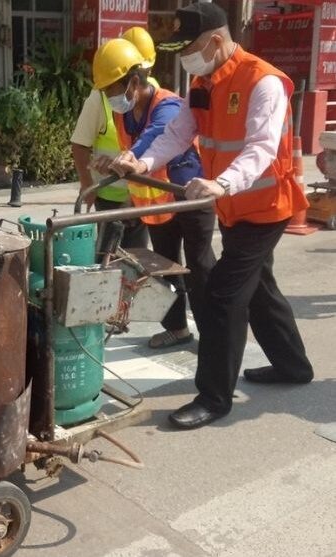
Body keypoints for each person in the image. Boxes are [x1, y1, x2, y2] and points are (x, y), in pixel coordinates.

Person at [108, 3, 313, 429]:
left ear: (217, 41)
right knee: (259, 289)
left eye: (192, 48)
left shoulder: (263, 82)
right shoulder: (205, 81)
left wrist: (222, 183)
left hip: (265, 209)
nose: (186, 59)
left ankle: (214, 398)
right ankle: (293, 366)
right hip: (235, 209)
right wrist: (142, 163)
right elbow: (178, 134)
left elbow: (260, 147)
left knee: (221, 296)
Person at [89, 37, 217, 350]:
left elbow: (152, 138)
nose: (110, 98)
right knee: (163, 269)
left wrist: (129, 158)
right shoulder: (125, 113)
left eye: (112, 90)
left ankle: (215, 332)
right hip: (157, 206)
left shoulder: (168, 106)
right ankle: (177, 329)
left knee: (200, 268)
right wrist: (114, 164)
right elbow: (130, 154)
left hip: (191, 199)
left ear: (134, 81)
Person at [70, 27, 163, 250]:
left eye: (146, 72)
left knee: (138, 257)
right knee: (107, 256)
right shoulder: (102, 98)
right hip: (109, 194)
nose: (142, 81)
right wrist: (87, 184)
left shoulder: (156, 93)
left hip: (143, 194)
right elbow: (80, 144)